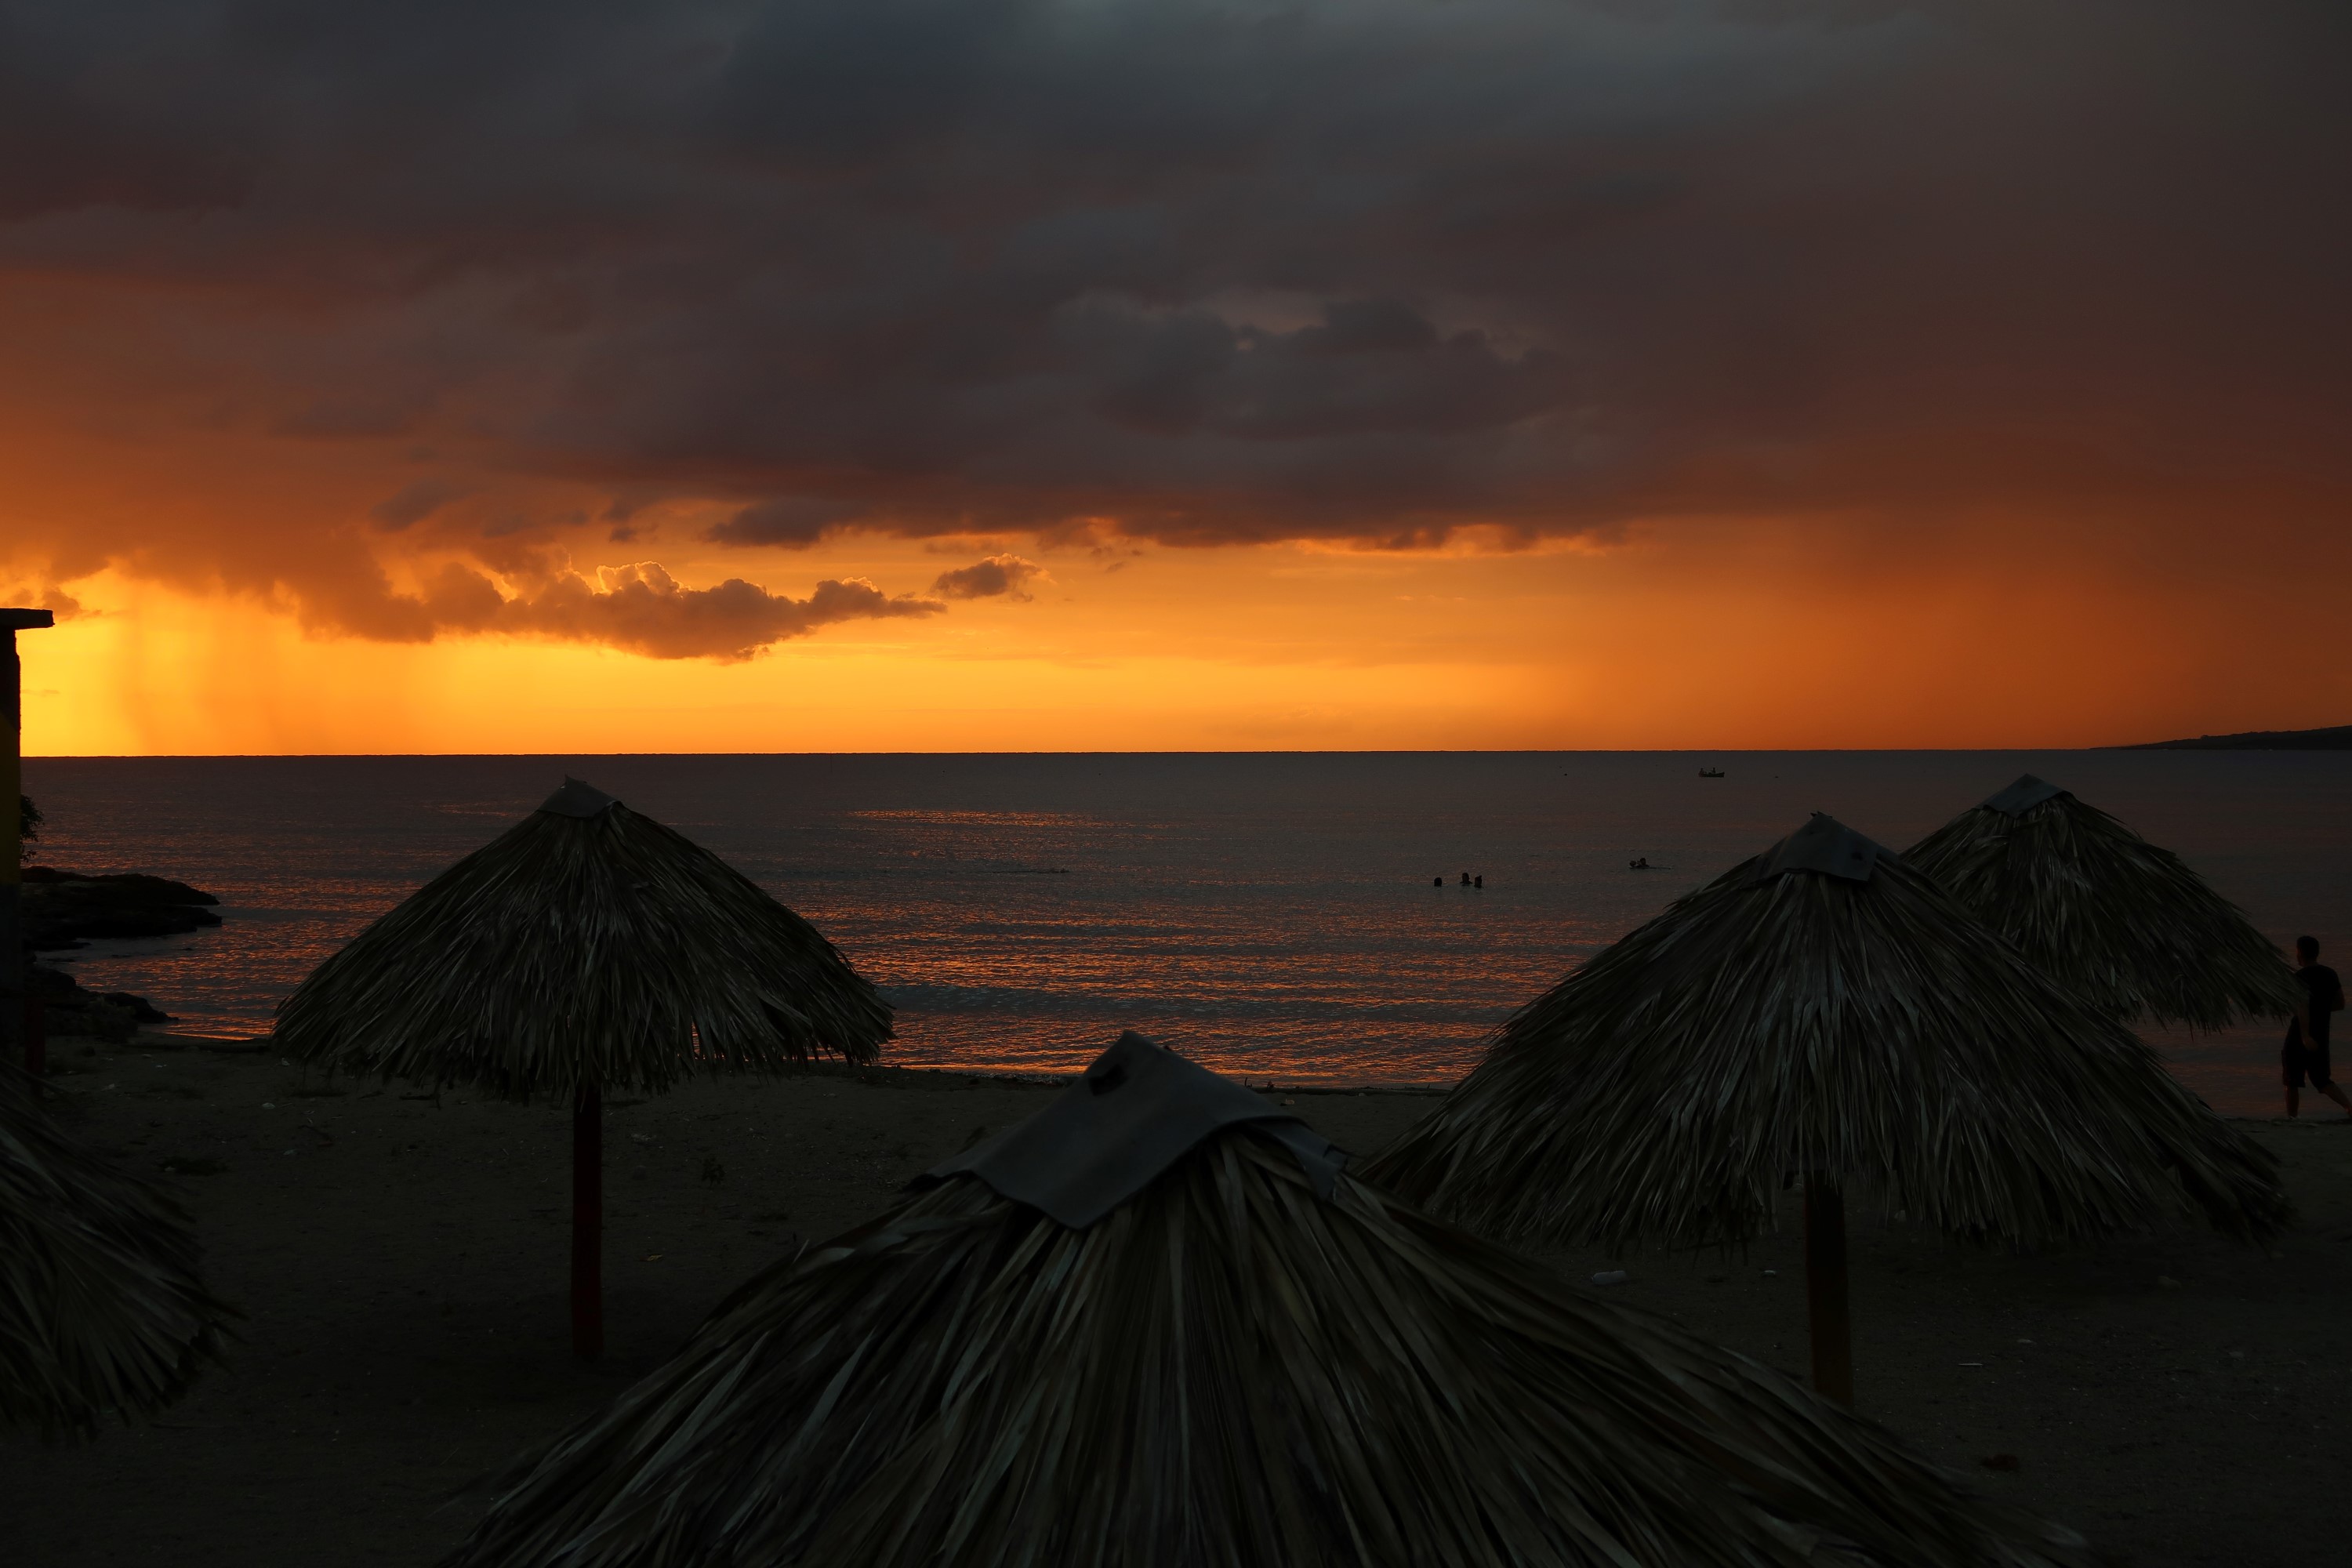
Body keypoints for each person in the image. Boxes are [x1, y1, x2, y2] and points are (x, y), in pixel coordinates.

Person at [2284, 935, 2351, 1120]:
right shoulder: (2330, 974)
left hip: (2300, 1034)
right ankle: (2349, 1107)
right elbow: (2340, 1004)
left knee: (2292, 1079)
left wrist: (2305, 1035)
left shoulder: (2300, 977)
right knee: (2322, 1080)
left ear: (2300, 954)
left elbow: (2302, 1006)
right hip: (2322, 1033)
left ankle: (2292, 1118)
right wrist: (2321, 1008)